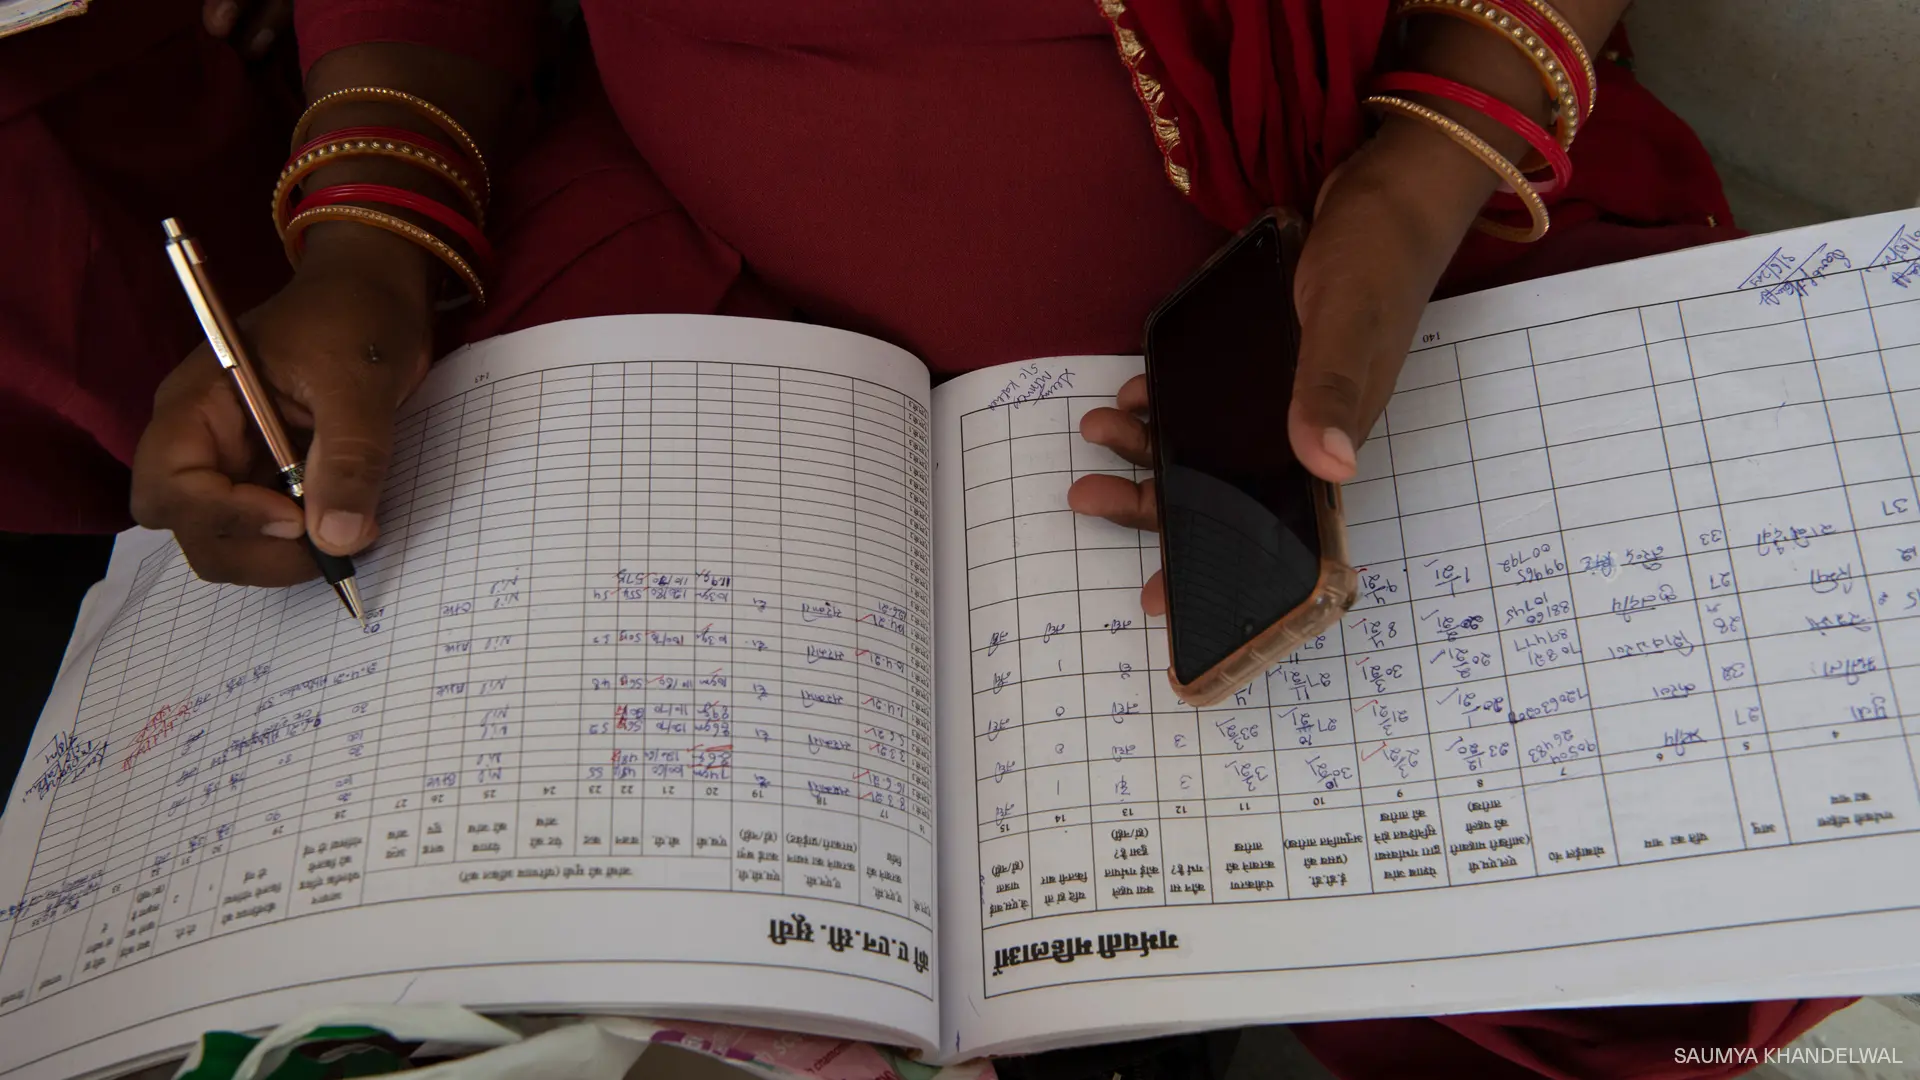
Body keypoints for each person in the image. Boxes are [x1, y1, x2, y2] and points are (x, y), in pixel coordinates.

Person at [101, 0, 1849, 1075]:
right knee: (508, 912)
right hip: (705, 269)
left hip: (1369, 216)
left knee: (1677, 940)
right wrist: (368, 238)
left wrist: (1420, 173)